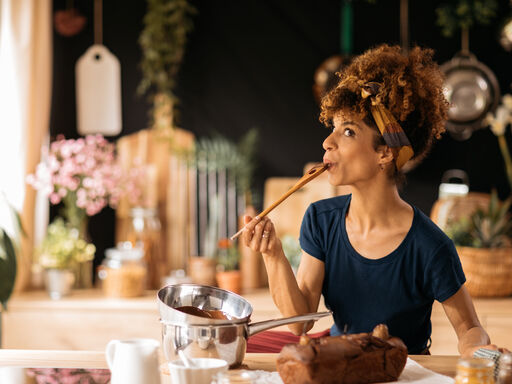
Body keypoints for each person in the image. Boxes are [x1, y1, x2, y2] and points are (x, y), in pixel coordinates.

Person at [242, 44, 509, 357]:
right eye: (334, 128)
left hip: (404, 372)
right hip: (339, 355)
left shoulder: (430, 246)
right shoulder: (321, 219)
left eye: (349, 132)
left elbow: (468, 328)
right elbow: (299, 322)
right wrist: (273, 254)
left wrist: (480, 352)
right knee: (238, 348)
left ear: (385, 152)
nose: (328, 142)